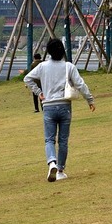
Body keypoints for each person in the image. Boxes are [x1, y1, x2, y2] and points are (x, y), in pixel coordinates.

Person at [23, 37, 95, 182]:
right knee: (63, 140)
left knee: (49, 139)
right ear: (62, 51)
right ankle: (60, 170)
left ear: (48, 51)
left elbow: (27, 79)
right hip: (65, 106)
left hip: (48, 106)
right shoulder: (69, 66)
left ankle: (52, 162)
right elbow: (80, 84)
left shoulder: (42, 66)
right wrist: (90, 100)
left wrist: (39, 93)